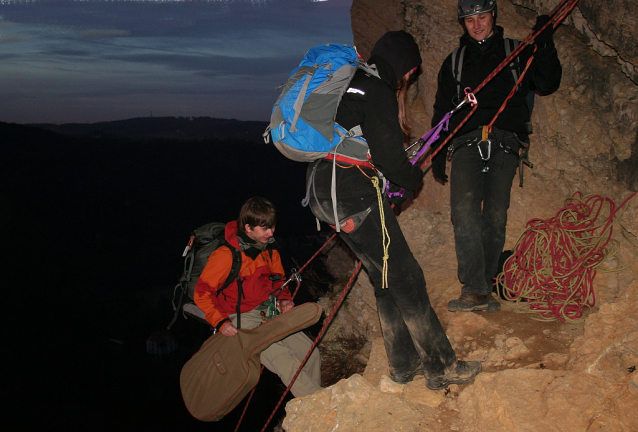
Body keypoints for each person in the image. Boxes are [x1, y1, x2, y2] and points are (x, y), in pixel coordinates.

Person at [304, 30, 481, 390]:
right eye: (410, 74)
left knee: (383, 275)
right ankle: (442, 366)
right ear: (403, 67)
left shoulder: (349, 82)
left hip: (322, 190)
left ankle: (403, 365)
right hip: (352, 193)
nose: (408, 80)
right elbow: (392, 162)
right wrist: (414, 177)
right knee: (407, 276)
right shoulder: (377, 91)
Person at [431, 0, 562, 313]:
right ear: (463, 23)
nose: (477, 25)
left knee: (494, 216)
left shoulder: (516, 51)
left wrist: (545, 42)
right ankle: (474, 290)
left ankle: (485, 286)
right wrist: (437, 151)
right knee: (463, 214)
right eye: (470, 19)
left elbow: (547, 81)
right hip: (466, 142)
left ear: (493, 17)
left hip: (505, 140)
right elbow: (441, 109)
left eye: (482, 17)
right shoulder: (455, 61)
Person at [193, 196, 322, 398]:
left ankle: (311, 403)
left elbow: (278, 281)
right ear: (248, 228)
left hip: (267, 311)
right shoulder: (226, 255)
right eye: (265, 229)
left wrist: (284, 299)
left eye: (272, 227)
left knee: (309, 353)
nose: (271, 233)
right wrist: (220, 322)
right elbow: (201, 293)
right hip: (240, 319)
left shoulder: (269, 249)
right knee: (283, 360)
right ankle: (319, 403)